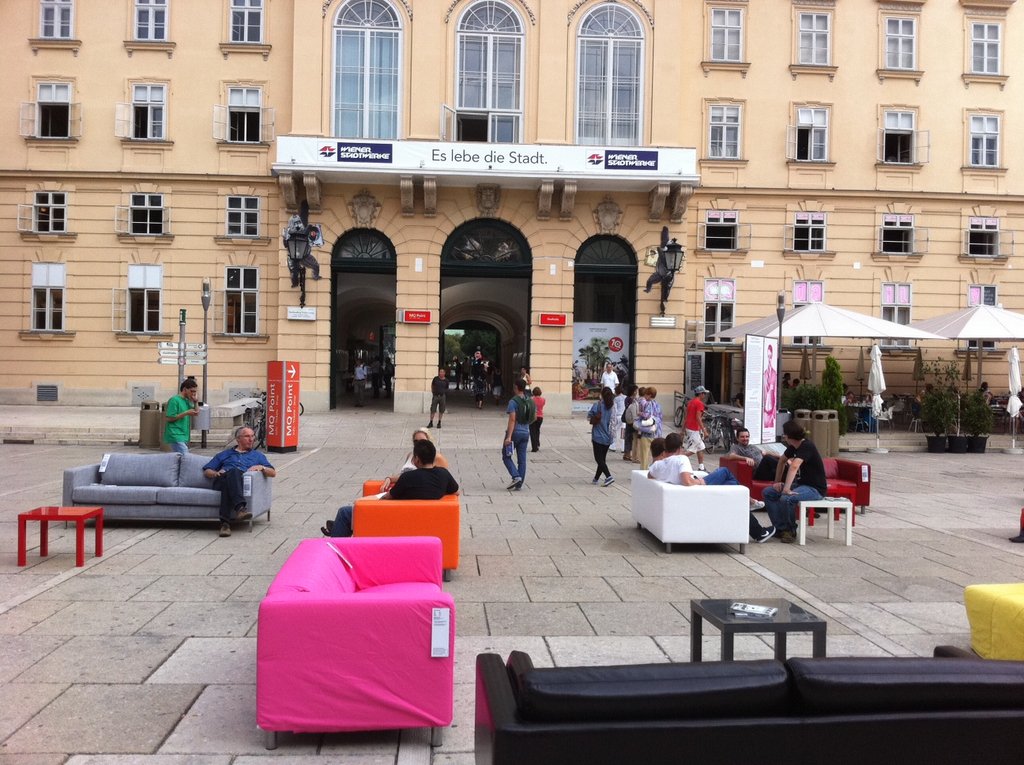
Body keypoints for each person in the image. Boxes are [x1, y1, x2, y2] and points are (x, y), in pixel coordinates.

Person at [649, 433, 774, 543]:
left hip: (688, 496)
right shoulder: (681, 459)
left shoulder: (658, 465)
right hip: (699, 493)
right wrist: (699, 481)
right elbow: (686, 481)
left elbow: (649, 475)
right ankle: (751, 506)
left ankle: (755, 520)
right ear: (679, 448)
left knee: (731, 486)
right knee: (725, 473)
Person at [324, 439, 458, 538]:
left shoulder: (409, 477)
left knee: (345, 512)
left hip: (394, 517)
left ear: (416, 459)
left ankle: (334, 552)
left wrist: (368, 501)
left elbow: (388, 498)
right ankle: (338, 529)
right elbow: (455, 491)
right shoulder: (444, 474)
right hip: (423, 520)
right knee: (352, 513)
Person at [761, 420, 827, 543]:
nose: (783, 436)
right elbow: (782, 461)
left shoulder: (807, 446)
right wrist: (776, 482)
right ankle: (780, 528)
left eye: (784, 434)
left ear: (789, 436)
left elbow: (794, 466)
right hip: (802, 485)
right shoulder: (793, 447)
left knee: (786, 498)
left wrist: (786, 488)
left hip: (815, 489)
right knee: (768, 492)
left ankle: (790, 531)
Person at [203, 426, 276, 537]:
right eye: (247, 436)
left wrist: (262, 467)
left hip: (240, 483)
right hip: (220, 480)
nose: (251, 439)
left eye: (252, 436)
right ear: (238, 439)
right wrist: (215, 473)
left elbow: (273, 473)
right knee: (232, 473)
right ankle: (240, 509)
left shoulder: (257, 456)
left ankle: (225, 524)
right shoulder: (224, 454)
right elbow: (207, 470)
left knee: (231, 478)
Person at [502, 378, 535, 490]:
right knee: (522, 460)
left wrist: (508, 437)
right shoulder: (530, 401)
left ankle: (516, 476)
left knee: (506, 456)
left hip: (514, 433)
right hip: (525, 432)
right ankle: (519, 484)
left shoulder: (513, 401)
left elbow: (512, 419)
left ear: (515, 387)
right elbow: (534, 417)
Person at [588, 387, 616, 487]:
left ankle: (608, 476)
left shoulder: (598, 405)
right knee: (602, 459)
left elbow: (589, 416)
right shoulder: (613, 407)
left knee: (598, 459)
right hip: (608, 436)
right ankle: (596, 478)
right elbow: (614, 421)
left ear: (602, 395)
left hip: (598, 435)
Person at [164, 377, 198, 454]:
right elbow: (169, 418)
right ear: (185, 389)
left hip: (183, 434)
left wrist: (195, 401)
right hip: (175, 434)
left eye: (195, 391)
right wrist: (186, 413)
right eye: (192, 391)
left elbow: (196, 412)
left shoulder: (186, 401)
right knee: (185, 455)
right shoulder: (174, 400)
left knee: (180, 457)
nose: (193, 393)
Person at [634, 386, 663, 470]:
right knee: (656, 455)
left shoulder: (648, 404)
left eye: (646, 394)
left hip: (647, 433)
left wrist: (640, 414)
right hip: (656, 433)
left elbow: (647, 415)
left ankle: (644, 471)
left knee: (644, 456)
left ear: (650, 395)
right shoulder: (658, 404)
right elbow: (660, 418)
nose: (644, 396)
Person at [683, 386, 709, 471]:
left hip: (690, 428)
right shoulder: (699, 404)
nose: (705, 395)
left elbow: (686, 417)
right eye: (704, 393)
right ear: (701, 394)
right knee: (692, 450)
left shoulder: (690, 402)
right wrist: (704, 431)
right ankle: (677, 459)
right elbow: (698, 418)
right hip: (694, 429)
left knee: (700, 448)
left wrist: (682, 430)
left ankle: (701, 466)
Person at [622, 384, 640, 462]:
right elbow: (630, 409)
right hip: (630, 420)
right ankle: (627, 454)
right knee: (629, 437)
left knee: (630, 438)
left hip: (632, 420)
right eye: (635, 391)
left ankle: (628, 453)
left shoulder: (634, 399)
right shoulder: (629, 399)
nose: (636, 392)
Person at [530, 386, 546, 452]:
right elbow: (542, 406)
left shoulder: (531, 399)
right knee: (537, 430)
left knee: (532, 432)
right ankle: (537, 444)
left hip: (533, 416)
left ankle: (534, 447)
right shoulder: (543, 399)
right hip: (540, 417)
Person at [610, 384, 626, 452]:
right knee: (623, 433)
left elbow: (615, 409)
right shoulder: (626, 397)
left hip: (618, 416)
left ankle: (613, 446)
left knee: (615, 431)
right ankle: (623, 448)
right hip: (624, 417)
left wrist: (613, 418)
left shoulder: (616, 399)